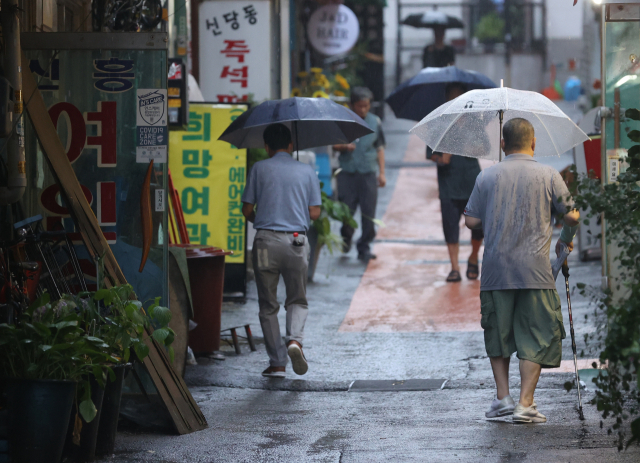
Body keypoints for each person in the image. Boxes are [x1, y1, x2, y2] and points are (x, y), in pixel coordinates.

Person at [464, 118, 580, 423]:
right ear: (534, 143)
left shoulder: (487, 176)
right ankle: (525, 403)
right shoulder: (549, 174)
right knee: (536, 333)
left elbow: (471, 222)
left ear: (503, 144)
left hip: (495, 270)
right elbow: (571, 218)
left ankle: (503, 398)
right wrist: (564, 243)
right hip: (536, 271)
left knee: (498, 334)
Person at [241, 123, 322, 378]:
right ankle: (295, 341)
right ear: (291, 146)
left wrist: (262, 220)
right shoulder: (306, 170)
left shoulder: (259, 168)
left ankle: (277, 363)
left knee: (268, 305)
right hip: (296, 241)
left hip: (265, 240)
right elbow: (315, 212)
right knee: (297, 298)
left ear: (266, 147)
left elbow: (246, 210)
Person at [428, 83, 484, 282]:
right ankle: (454, 268)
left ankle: (473, 257)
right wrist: (441, 158)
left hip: (471, 181)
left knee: (478, 225)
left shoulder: (474, 123)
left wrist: (470, 147)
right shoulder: (438, 124)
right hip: (448, 183)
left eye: (459, 97)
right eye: (451, 97)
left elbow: (484, 147)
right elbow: (430, 154)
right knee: (450, 226)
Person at [332, 87, 386, 261]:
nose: (363, 109)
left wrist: (382, 173)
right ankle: (346, 236)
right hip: (347, 173)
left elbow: (380, 148)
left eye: (366, 106)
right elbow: (333, 144)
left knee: (369, 212)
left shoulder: (375, 121)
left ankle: (364, 246)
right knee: (347, 212)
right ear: (352, 105)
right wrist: (344, 147)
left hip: (368, 172)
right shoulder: (343, 121)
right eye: (359, 106)